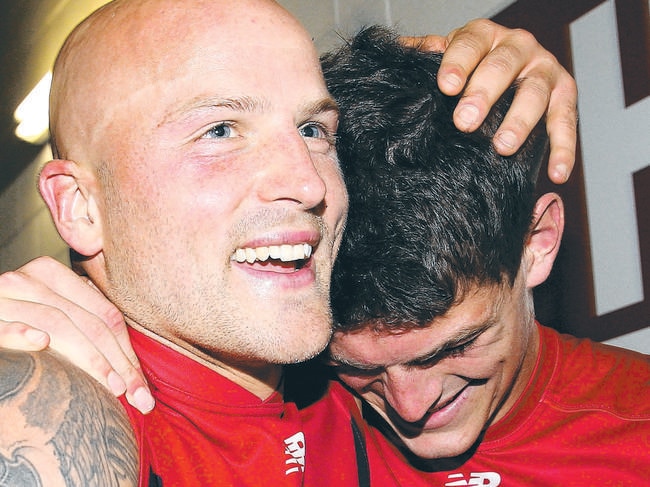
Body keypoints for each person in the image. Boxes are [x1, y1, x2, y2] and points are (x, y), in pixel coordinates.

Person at [0, 0, 580, 485]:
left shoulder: (363, 389)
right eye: (220, 131)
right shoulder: (58, 411)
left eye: (312, 130)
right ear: (81, 207)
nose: (306, 183)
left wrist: (491, 68)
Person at [322, 27, 650, 485]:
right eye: (357, 367)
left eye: (455, 346)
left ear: (537, 242)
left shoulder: (639, 430)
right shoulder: (294, 411)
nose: (410, 406)